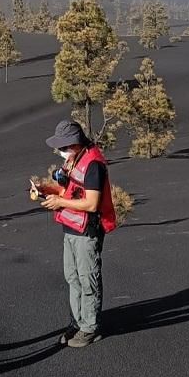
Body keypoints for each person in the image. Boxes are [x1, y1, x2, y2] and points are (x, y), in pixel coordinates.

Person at [34, 120, 116, 348]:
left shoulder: (93, 164)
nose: (61, 150)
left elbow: (92, 203)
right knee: (72, 277)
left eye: (64, 145)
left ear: (75, 143)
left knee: (88, 278)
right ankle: (78, 322)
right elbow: (66, 189)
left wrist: (59, 201)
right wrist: (45, 189)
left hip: (87, 229)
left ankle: (90, 327)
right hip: (71, 227)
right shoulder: (73, 160)